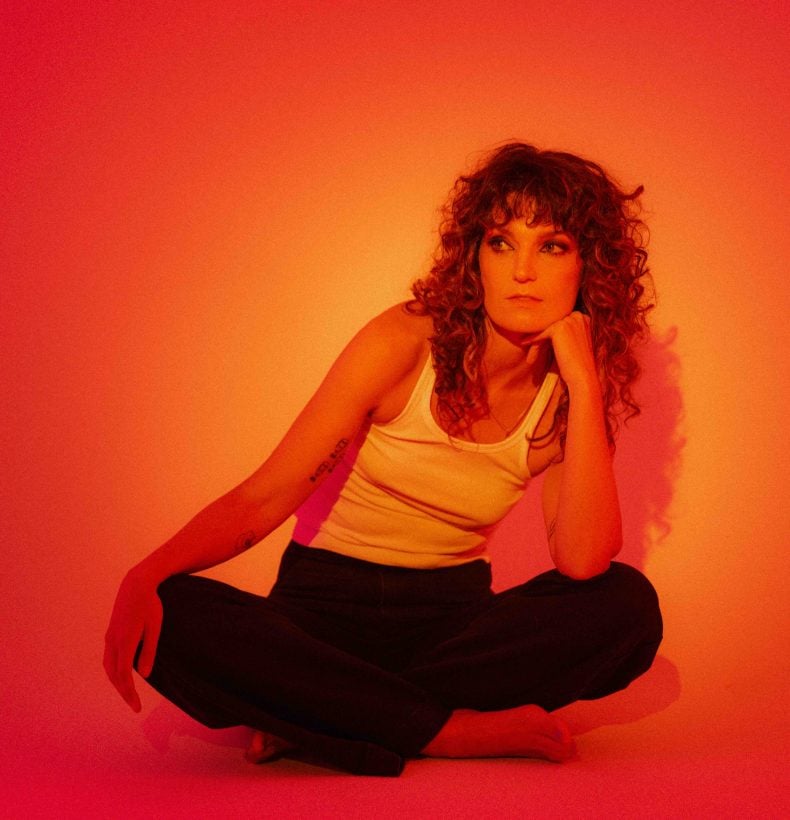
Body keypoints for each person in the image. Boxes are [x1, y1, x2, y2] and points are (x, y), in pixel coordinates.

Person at [104, 142, 662, 776]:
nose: (523, 271)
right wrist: (143, 576)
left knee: (628, 606)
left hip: (451, 625)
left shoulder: (567, 395)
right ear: (473, 256)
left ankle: (327, 715)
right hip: (322, 614)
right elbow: (264, 498)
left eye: (553, 246)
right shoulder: (402, 343)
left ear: (590, 268)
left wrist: (585, 385)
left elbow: (584, 559)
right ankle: (445, 730)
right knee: (174, 614)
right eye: (501, 243)